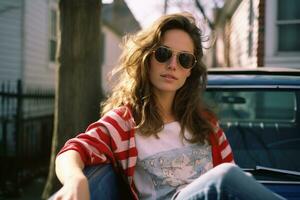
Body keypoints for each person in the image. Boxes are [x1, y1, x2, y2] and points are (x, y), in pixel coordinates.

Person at [54, 12, 285, 200]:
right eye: (163, 54)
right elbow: (72, 151)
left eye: (184, 59)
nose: (173, 65)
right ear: (146, 59)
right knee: (224, 177)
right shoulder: (124, 124)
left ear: (190, 71)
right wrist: (76, 179)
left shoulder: (207, 125)